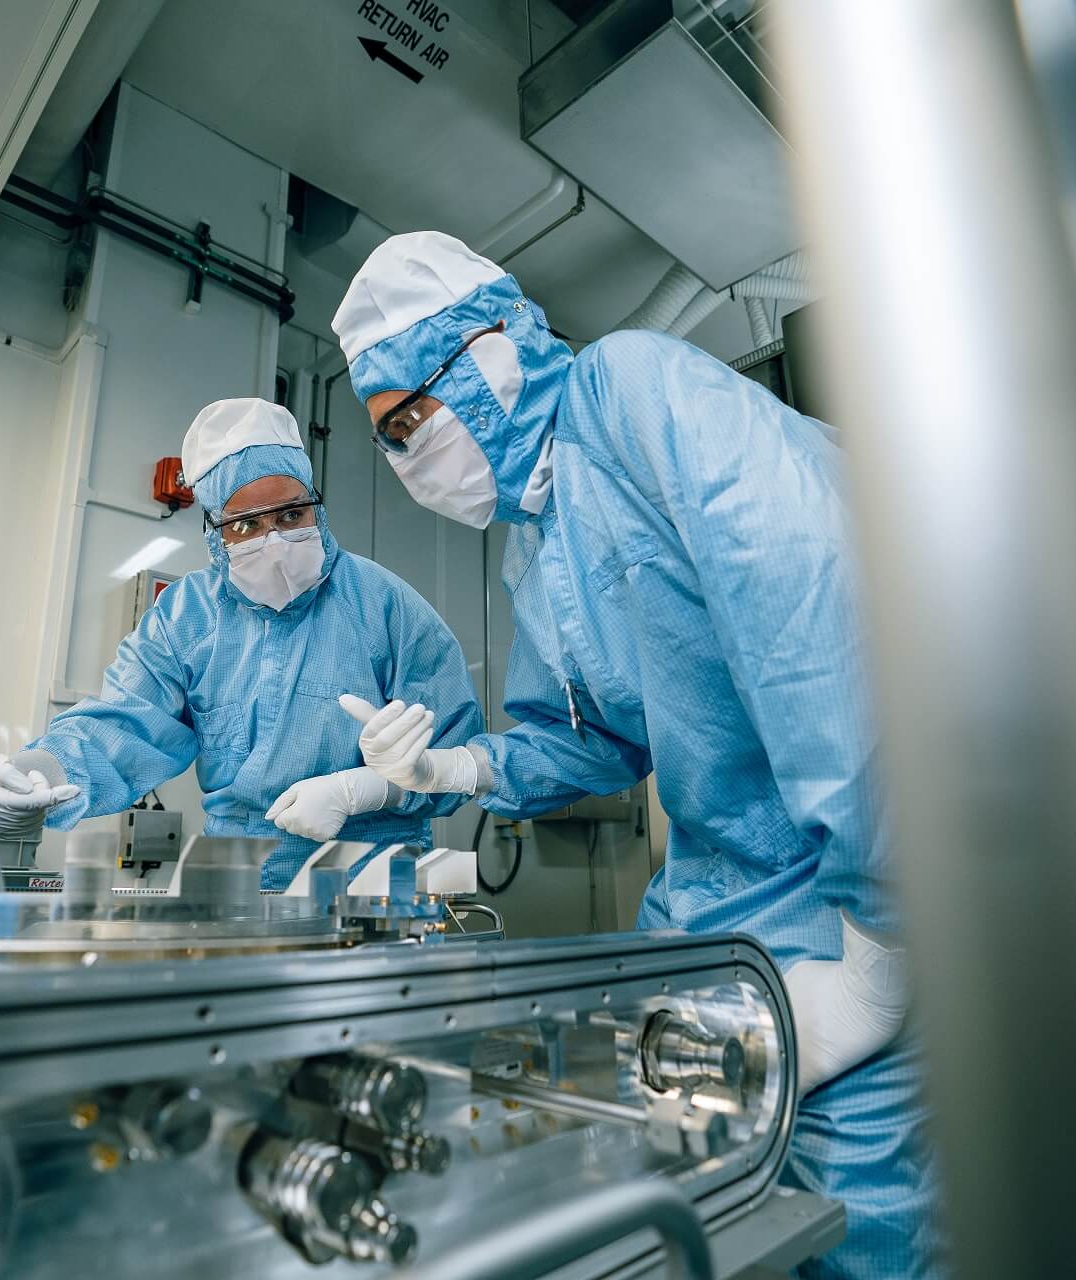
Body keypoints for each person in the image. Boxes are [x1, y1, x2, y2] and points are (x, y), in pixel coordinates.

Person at [319, 233, 940, 1279]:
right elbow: (597, 738)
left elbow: (822, 624)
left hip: (855, 903)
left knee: (860, 1229)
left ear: (493, 352)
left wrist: (881, 950)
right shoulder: (537, 537)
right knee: (724, 1217)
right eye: (388, 443)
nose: (407, 459)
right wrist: (455, 771)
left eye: (411, 422)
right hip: (720, 911)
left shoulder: (632, 390)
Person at [0, 397, 483, 888]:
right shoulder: (185, 618)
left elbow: (453, 755)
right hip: (241, 880)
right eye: (246, 525)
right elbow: (124, 723)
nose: (275, 541)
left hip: (377, 875)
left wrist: (367, 790)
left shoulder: (387, 606)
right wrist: (35, 773)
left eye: (290, 515)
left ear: (316, 509)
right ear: (215, 533)